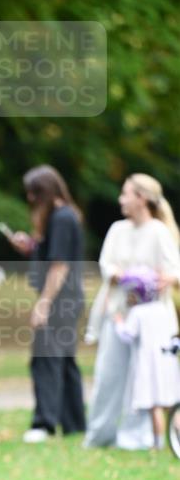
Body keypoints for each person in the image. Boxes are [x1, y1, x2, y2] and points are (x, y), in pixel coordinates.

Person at [84, 174, 180, 449]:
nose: (120, 199)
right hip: (120, 313)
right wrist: (125, 276)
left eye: (125, 194)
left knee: (144, 375)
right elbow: (107, 266)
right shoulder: (117, 229)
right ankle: (99, 433)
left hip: (151, 319)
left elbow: (175, 271)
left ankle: (137, 436)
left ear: (142, 198)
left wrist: (163, 279)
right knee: (108, 373)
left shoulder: (159, 232)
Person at [9, 165, 86, 443]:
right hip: (68, 298)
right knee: (64, 361)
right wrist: (31, 246)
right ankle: (75, 423)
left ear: (46, 192)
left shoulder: (62, 218)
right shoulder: (63, 217)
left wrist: (43, 304)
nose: (30, 199)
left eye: (33, 193)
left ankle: (44, 423)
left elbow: (60, 266)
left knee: (46, 359)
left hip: (60, 299)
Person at [113, 267, 180, 450]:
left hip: (149, 364)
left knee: (155, 406)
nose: (129, 297)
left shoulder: (138, 313)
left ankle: (157, 444)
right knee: (171, 406)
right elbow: (173, 334)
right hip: (167, 361)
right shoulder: (163, 309)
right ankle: (177, 439)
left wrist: (118, 323)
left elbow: (127, 335)